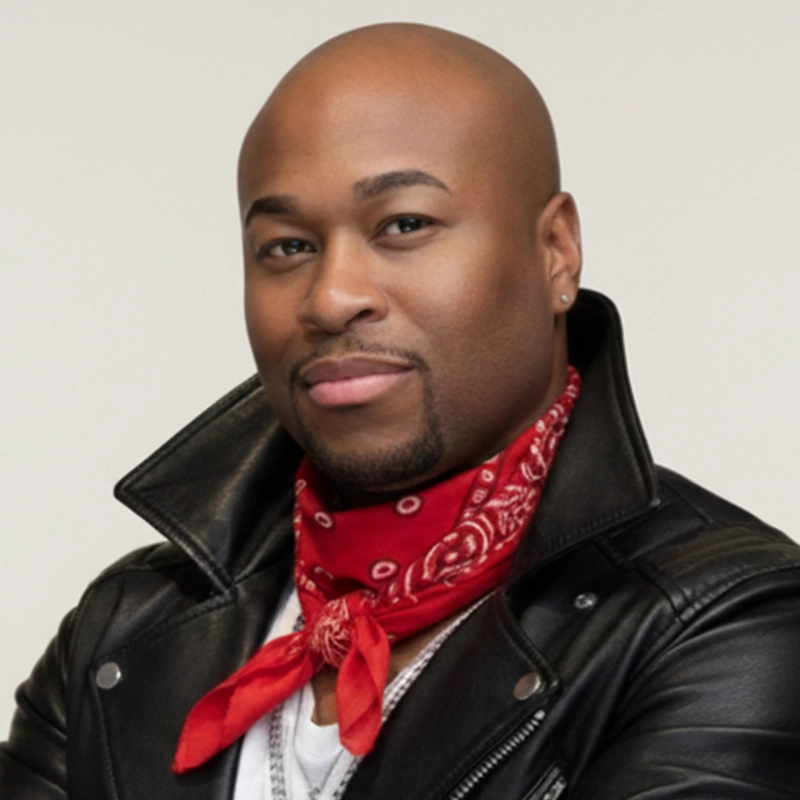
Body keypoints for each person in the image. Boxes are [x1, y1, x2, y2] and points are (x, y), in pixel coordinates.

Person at [2, 22, 800, 800]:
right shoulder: (126, 630)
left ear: (555, 250)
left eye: (404, 225)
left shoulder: (727, 621)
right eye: (286, 245)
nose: (331, 296)